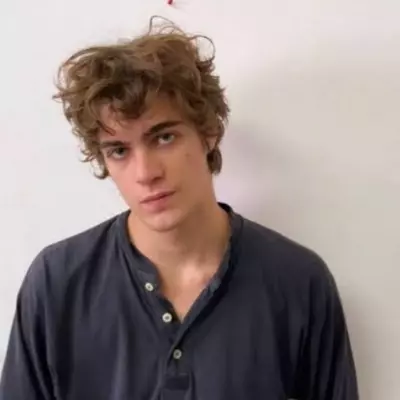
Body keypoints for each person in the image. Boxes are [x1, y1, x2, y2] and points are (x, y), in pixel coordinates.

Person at [0, 17, 358, 400]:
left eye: (164, 137)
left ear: (209, 132)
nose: (146, 173)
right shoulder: (57, 282)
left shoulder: (298, 282)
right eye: (119, 150)